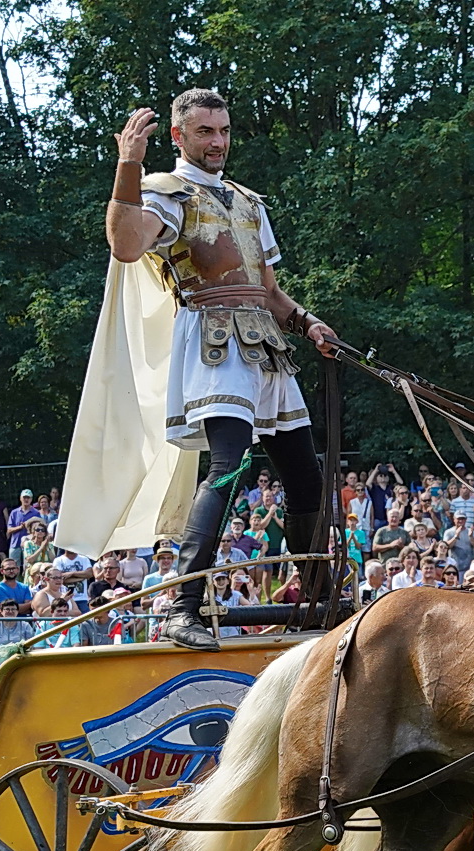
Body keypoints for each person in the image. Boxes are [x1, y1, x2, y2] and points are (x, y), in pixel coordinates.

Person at [105, 90, 339, 650]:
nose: (218, 142)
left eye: (225, 131)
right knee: (230, 468)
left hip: (266, 345)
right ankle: (182, 605)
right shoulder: (167, 192)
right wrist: (128, 165)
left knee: (306, 475)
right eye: (206, 132)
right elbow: (124, 245)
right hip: (214, 344)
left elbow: (269, 291)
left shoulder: (247, 202)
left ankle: (318, 599)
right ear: (180, 136)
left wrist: (308, 323)